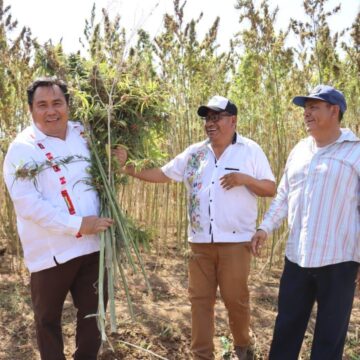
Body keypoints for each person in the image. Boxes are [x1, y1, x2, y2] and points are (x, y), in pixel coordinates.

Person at [114, 95, 276, 360]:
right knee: (200, 301)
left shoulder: (250, 150)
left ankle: (243, 347)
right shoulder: (195, 153)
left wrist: (244, 179)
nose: (210, 123)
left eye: (217, 118)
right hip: (199, 242)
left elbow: (270, 188)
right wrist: (128, 168)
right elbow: (163, 174)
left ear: (233, 120)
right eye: (207, 119)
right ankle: (202, 355)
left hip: (236, 243)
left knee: (236, 299)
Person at [3, 77, 113, 360]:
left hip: (93, 247)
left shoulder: (84, 132)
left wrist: (119, 156)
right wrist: (78, 224)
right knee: (47, 320)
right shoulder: (22, 148)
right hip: (51, 252)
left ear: (68, 105)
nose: (51, 111)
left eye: (57, 103)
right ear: (31, 109)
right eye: (42, 105)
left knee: (94, 314)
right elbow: (28, 204)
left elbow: (108, 167)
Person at [251, 84, 360, 360]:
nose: (306, 114)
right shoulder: (299, 150)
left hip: (339, 260)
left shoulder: (355, 153)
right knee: (285, 330)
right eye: (305, 108)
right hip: (297, 258)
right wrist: (265, 227)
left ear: (334, 111)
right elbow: (284, 196)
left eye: (313, 107)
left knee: (329, 338)